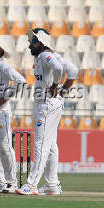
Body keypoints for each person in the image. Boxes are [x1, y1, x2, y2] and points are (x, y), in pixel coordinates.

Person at [16, 28, 74, 196]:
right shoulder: (53, 56)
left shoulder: (45, 56)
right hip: (50, 104)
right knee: (51, 146)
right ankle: (52, 184)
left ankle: (32, 184)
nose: (29, 44)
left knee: (41, 144)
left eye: (32, 41)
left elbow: (58, 69)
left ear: (40, 42)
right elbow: (73, 72)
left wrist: (56, 85)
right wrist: (61, 91)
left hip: (46, 105)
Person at [0, 37, 26, 193]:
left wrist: (6, 96)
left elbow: (22, 81)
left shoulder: (4, 66)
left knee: (5, 146)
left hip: (1, 111)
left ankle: (12, 182)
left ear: (0, 50)